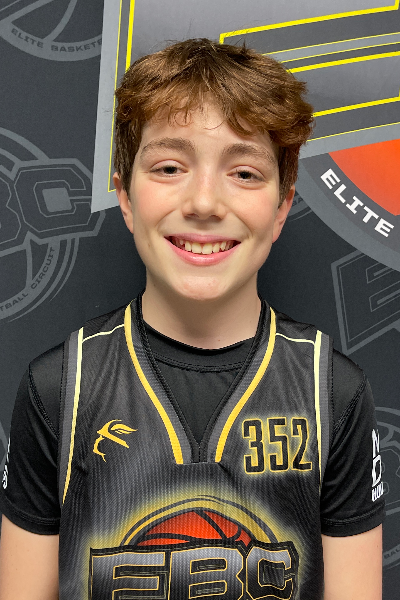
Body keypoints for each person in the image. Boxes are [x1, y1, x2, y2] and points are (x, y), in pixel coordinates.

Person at [0, 38, 384, 600]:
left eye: (245, 173)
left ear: (281, 207)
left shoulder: (332, 391)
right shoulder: (60, 386)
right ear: (125, 196)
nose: (204, 203)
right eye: (169, 167)